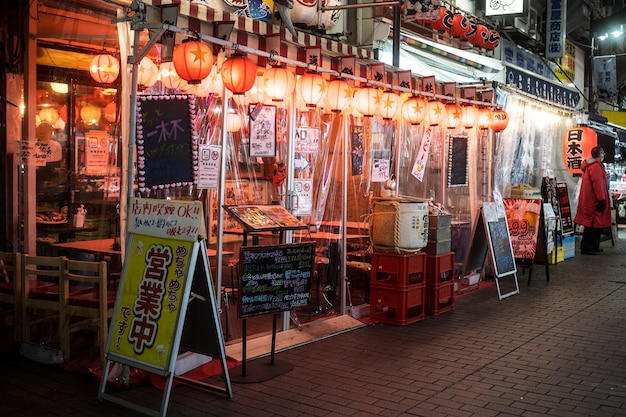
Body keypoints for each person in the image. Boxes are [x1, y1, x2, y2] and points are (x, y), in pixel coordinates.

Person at [573, 146, 612, 255]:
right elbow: (598, 185)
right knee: (592, 225)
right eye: (603, 153)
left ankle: (593, 246)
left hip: (589, 199)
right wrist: (601, 199)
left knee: (595, 226)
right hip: (593, 201)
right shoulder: (595, 167)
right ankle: (587, 247)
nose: (603, 155)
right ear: (600, 155)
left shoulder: (591, 166)